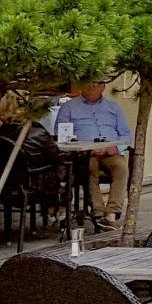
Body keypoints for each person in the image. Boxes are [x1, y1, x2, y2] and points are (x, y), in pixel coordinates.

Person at [55, 80, 132, 225]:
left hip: (110, 152)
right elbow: (60, 134)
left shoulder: (113, 107)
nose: (92, 85)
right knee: (89, 169)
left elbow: (126, 135)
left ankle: (112, 213)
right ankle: (98, 213)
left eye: (97, 83)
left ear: (104, 86)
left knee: (121, 168)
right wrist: (83, 147)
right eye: (89, 82)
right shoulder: (68, 107)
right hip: (85, 154)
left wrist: (115, 148)